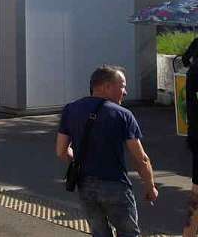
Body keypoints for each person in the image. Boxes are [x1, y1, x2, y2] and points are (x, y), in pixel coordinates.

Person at [55, 65, 157, 237]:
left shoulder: (70, 109)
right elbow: (141, 159)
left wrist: (77, 158)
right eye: (122, 86)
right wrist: (150, 187)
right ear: (106, 86)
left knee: (99, 233)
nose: (125, 91)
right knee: (128, 233)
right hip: (115, 185)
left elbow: (61, 151)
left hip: (85, 186)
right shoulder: (123, 115)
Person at [182, 37, 198, 236]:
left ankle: (189, 231)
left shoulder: (192, 72)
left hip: (195, 134)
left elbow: (185, 60)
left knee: (196, 190)